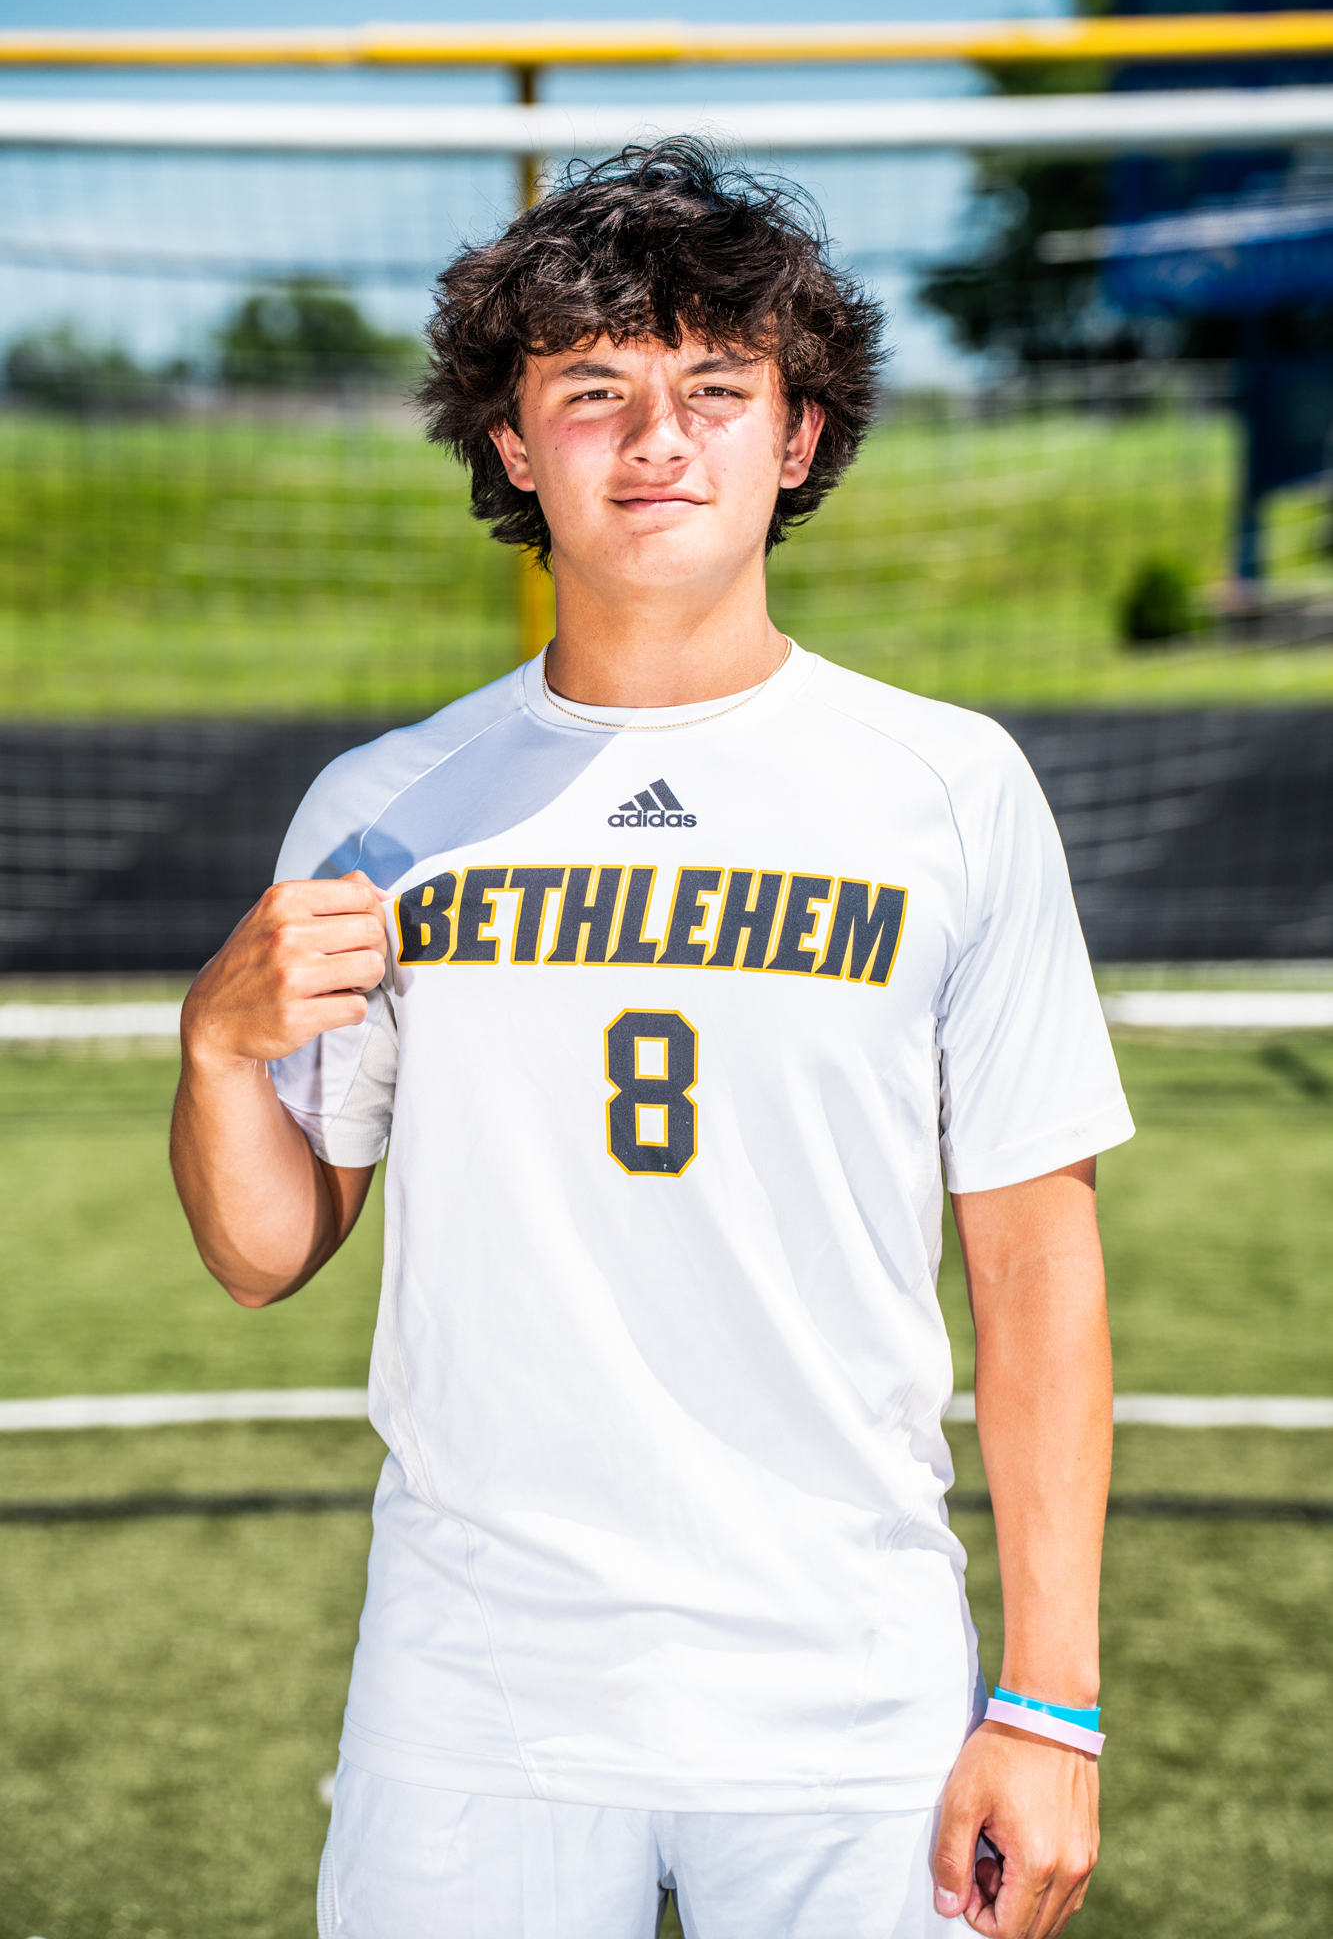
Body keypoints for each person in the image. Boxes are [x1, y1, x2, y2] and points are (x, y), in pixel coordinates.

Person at [170, 140, 1133, 1939]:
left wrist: (1050, 1702)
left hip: (848, 1689)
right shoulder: (382, 806)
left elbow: (1034, 1261)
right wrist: (216, 1052)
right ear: (513, 444)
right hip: (476, 1693)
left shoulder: (948, 787)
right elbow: (265, 1251)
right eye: (594, 392)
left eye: (713, 390)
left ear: (799, 436)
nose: (656, 441)